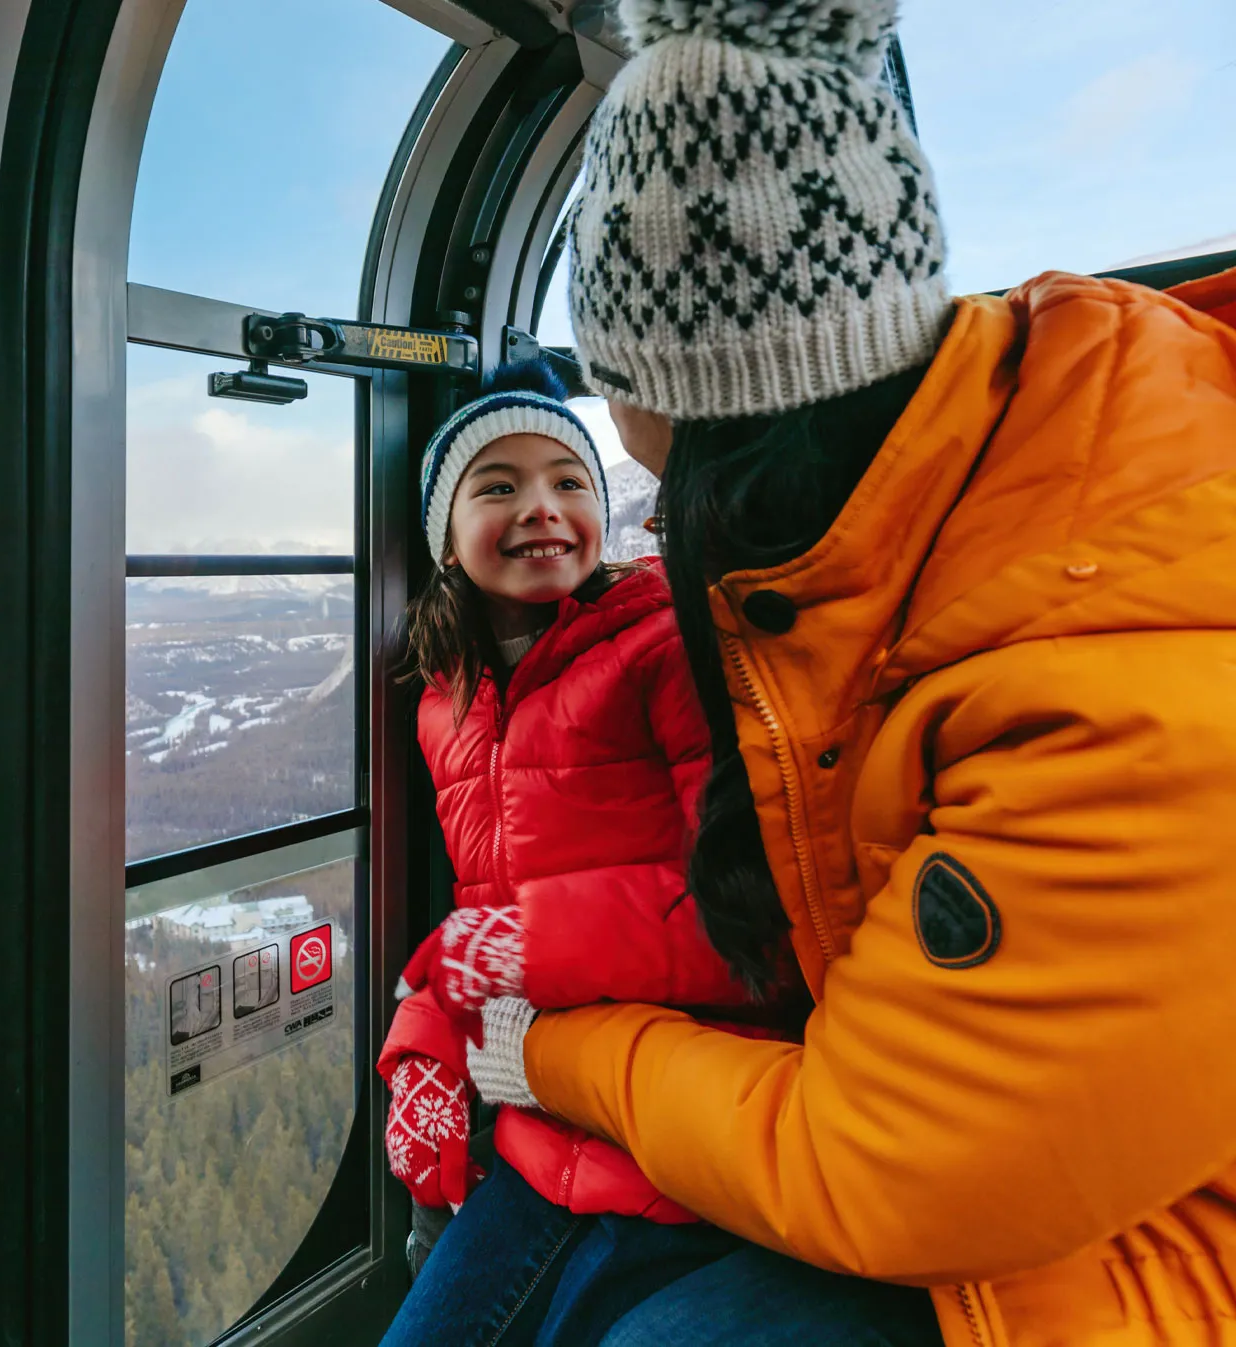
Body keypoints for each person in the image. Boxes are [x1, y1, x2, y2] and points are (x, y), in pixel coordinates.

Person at [462, 1, 1236, 1344]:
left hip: (1149, 1233)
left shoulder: (1107, 654)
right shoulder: (906, 535)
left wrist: (545, 1050)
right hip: (1022, 1147)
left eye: (612, 421)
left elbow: (884, 1167)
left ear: (695, 405)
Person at [376, 358, 802, 1347]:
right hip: (540, 1140)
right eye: (500, 486)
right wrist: (426, 1051)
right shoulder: (449, 706)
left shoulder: (663, 649)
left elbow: (754, 926)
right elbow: (481, 933)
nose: (543, 508)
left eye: (570, 482)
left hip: (692, 1135)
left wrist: (518, 946)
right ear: (446, 536)